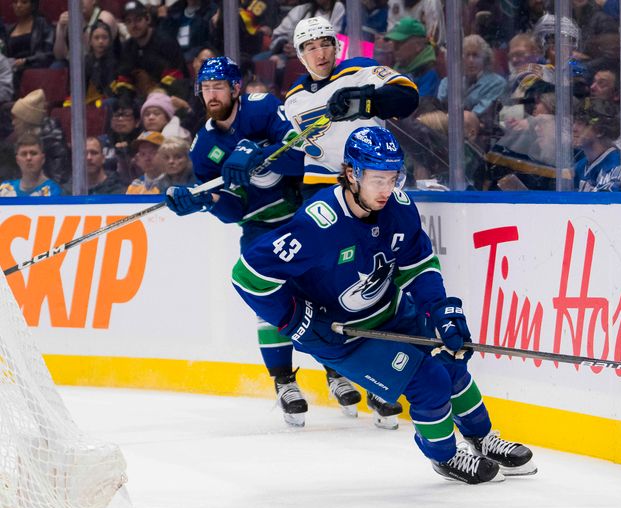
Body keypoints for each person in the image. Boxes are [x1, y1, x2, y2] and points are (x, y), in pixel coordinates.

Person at [231, 126, 537, 484]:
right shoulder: (317, 224)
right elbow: (247, 275)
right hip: (343, 337)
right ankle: (446, 456)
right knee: (428, 382)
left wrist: (439, 309)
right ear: (351, 174)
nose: (386, 189)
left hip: (390, 311)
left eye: (393, 178)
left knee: (450, 359)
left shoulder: (400, 209)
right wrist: (297, 321)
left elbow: (418, 265)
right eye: (377, 179)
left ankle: (482, 437)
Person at [165, 56, 391, 428]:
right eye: (205, 88)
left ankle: (336, 369)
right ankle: (284, 381)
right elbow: (235, 210)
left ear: (236, 88)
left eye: (219, 86)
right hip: (261, 229)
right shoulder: (203, 146)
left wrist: (261, 153)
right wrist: (206, 201)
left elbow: (303, 154)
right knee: (270, 303)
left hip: (306, 216)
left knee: (328, 292)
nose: (212, 94)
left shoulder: (263, 108)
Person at [277, 16, 419, 197]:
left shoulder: (359, 70)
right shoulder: (293, 98)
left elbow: (408, 97)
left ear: (336, 46)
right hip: (320, 187)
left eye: (326, 45)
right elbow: (296, 148)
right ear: (300, 55)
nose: (321, 55)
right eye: (311, 48)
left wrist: (364, 101)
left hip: (368, 180)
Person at [113, 1, 189, 99]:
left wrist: (154, 96)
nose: (134, 25)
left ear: (148, 19)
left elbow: (176, 79)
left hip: (171, 96)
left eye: (138, 20)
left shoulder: (166, 42)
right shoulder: (127, 47)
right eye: (129, 21)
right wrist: (126, 102)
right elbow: (123, 79)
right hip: (140, 100)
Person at [437, 34, 506, 116]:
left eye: (475, 55)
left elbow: (479, 112)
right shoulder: (447, 82)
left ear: (485, 59)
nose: (471, 60)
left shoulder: (496, 83)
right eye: (467, 55)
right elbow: (438, 110)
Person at [11, 88, 70, 184]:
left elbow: (59, 180)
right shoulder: (20, 139)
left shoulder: (54, 144)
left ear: (27, 120)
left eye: (16, 119)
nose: (13, 123)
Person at [383, 17, 439, 100]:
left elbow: (421, 107)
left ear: (418, 45)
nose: (394, 49)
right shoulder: (398, 67)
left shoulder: (430, 73)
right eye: (393, 43)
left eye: (399, 43)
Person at [573, 96, 621, 192]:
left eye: (581, 123)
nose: (574, 128)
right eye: (574, 122)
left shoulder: (617, 165)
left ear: (600, 130)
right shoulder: (579, 166)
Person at [3, 0, 54, 88]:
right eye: (15, 2)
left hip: (35, 69)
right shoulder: (9, 30)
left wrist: (26, 61)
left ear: (32, 5)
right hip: (12, 71)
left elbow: (48, 54)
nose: (18, 5)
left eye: (24, 2)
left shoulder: (42, 24)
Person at [53, 0, 118, 64]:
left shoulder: (105, 18)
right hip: (75, 65)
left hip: (102, 65)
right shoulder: (69, 18)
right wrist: (60, 28)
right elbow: (59, 56)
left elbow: (92, 51)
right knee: (57, 65)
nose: (79, 1)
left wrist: (81, 24)